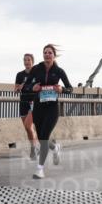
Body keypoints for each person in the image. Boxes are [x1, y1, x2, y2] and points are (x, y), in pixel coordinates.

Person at [26, 44, 73, 179]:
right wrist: (32, 87)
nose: (47, 54)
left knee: (44, 137)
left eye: (50, 53)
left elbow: (70, 88)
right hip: (39, 107)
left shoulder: (59, 71)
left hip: (52, 109)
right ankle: (55, 148)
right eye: (45, 52)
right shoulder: (36, 69)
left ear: (54, 55)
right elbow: (27, 85)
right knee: (42, 138)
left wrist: (62, 90)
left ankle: (40, 169)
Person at [15, 53, 39, 160]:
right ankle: (35, 145)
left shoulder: (37, 74)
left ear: (32, 61)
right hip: (23, 102)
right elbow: (15, 90)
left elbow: (39, 87)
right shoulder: (20, 75)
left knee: (29, 126)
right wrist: (19, 87)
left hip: (33, 102)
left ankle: (34, 149)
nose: (27, 62)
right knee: (27, 128)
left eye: (29, 60)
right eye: (25, 60)